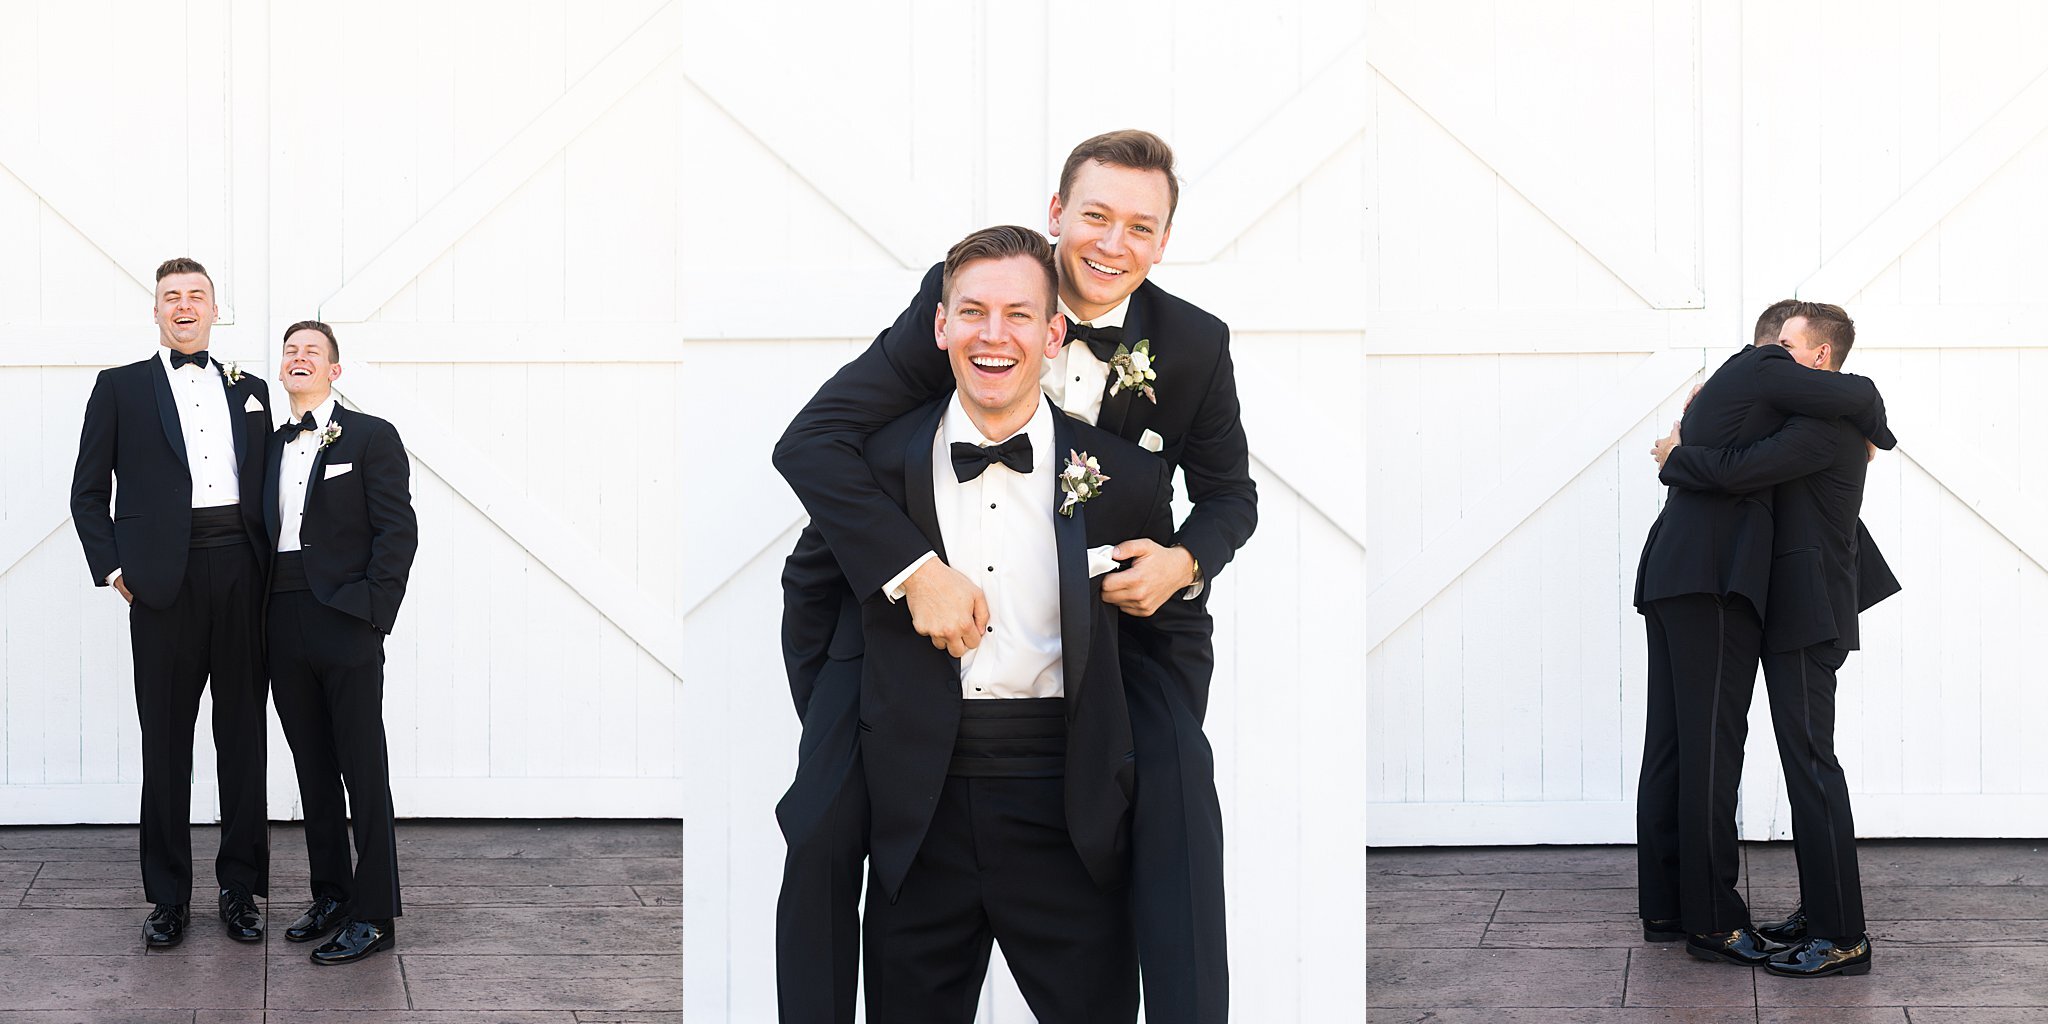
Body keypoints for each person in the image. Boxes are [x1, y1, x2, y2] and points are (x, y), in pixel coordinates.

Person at [772, 130, 1250, 1022]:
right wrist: (912, 572)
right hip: (892, 585)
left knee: (1182, 788)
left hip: (1109, 626)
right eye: (1097, 216)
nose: (1114, 243)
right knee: (823, 820)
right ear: (1058, 213)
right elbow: (812, 441)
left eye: (1140, 227)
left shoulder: (1190, 343)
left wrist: (1185, 559)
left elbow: (1230, 497)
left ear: (1165, 239)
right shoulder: (965, 296)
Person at [850, 225, 1174, 1021]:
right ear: (940, 325)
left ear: (1053, 332)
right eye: (973, 312)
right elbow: (812, 613)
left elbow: (1170, 647)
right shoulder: (876, 465)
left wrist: (1128, 765)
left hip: (1071, 810)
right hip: (917, 813)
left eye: (1019, 315)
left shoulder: (1126, 477)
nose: (993, 336)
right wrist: (875, 730)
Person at [1632, 299, 1895, 966]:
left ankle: (1842, 935)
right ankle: (1819, 912)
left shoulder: (1824, 430)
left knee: (1810, 765)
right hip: (1780, 608)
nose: (1773, 358)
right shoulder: (1798, 417)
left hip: (1807, 615)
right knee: (1788, 762)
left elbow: (1736, 470)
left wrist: (1677, 452)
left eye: (1788, 348)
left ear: (1819, 361)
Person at [70, 257, 272, 947]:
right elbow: (87, 492)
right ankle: (168, 898)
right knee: (166, 743)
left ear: (216, 309)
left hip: (242, 572)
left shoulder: (251, 388)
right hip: (162, 582)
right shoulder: (119, 387)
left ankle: (241, 890)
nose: (184, 306)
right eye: (171, 297)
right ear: (155, 311)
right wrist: (114, 570)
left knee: (242, 738)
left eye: (196, 296)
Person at [262, 320, 418, 965]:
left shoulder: (371, 436)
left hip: (345, 617)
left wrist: (373, 612)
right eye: (291, 351)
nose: (300, 359)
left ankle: (375, 912)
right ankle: (331, 892)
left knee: (362, 766)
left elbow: (397, 531)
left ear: (335, 370)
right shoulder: (270, 445)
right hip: (279, 615)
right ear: (282, 369)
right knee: (311, 767)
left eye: (313, 352)